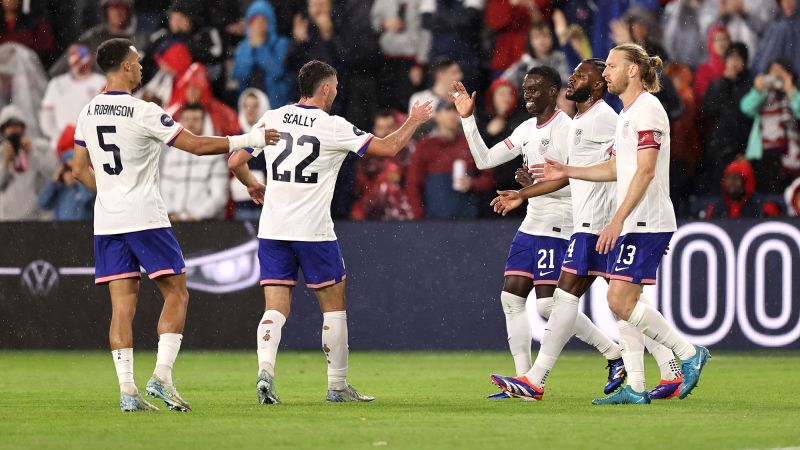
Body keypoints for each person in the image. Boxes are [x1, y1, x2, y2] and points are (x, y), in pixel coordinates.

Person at [70, 38, 279, 412]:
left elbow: (77, 170)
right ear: (122, 67)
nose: (140, 68)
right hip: (145, 218)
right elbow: (197, 146)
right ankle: (162, 376)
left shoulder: (87, 113)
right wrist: (251, 138)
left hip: (108, 221)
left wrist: (112, 192)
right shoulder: (143, 112)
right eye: (135, 62)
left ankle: (127, 392)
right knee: (177, 293)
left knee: (121, 308)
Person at [227, 60, 433, 404]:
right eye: (335, 86)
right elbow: (388, 149)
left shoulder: (273, 117)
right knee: (333, 306)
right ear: (324, 88)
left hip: (273, 229)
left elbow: (235, 161)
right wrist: (413, 120)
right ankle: (337, 386)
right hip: (313, 231)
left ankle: (266, 370)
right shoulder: (333, 126)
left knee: (275, 307)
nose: (337, 91)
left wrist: (253, 185)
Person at [515, 43, 710, 404]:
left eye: (612, 66)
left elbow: (647, 170)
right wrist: (568, 170)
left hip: (645, 220)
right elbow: (613, 169)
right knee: (622, 302)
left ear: (632, 70)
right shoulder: (626, 115)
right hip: (631, 220)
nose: (606, 73)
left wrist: (616, 220)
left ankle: (686, 354)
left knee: (619, 299)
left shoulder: (648, 110)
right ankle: (639, 385)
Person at [452, 65, 630, 400]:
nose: (528, 94)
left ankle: (612, 353)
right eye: (525, 88)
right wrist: (467, 118)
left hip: (562, 224)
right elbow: (484, 160)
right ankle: (521, 380)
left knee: (549, 306)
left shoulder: (568, 128)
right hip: (532, 222)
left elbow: (574, 180)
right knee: (511, 298)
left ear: (553, 91)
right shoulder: (525, 130)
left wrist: (531, 189)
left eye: (535, 88)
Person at [405, 101, 494, 219]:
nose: (452, 115)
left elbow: (490, 178)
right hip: (435, 222)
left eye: (455, 111)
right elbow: (413, 184)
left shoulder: (471, 143)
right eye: (448, 111)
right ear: (437, 116)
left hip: (469, 221)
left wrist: (473, 184)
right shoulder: (425, 146)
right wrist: (419, 219)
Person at [740, 58, 800, 193]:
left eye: (781, 71)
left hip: (793, 157)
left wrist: (791, 90)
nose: (777, 75)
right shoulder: (762, 95)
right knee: (767, 197)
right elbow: (745, 108)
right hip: (764, 157)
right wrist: (757, 91)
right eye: (773, 71)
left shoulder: (794, 94)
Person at [160, 104, 229, 221]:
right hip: (174, 221)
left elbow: (219, 196)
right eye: (187, 119)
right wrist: (171, 212)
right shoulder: (171, 155)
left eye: (195, 120)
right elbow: (164, 188)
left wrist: (197, 216)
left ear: (205, 122)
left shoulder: (215, 155)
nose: (190, 123)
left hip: (206, 224)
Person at [701, 42, 752, 188]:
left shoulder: (750, 85)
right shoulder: (717, 83)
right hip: (720, 147)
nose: (734, 62)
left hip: (742, 146)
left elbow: (745, 114)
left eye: (738, 58)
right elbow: (710, 109)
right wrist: (725, 82)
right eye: (730, 58)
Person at [40, 44, 107, 150]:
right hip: (61, 146)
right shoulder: (56, 84)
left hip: (92, 145)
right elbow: (46, 118)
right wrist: (60, 138)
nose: (78, 63)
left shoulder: (101, 82)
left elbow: (107, 116)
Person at [0, 104, 56, 220]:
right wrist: (5, 163)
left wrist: (32, 154)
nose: (13, 130)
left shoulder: (41, 148)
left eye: (16, 125)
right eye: (9, 126)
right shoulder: (2, 154)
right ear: (3, 131)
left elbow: (54, 175)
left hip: (37, 217)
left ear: (23, 127)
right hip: (8, 219)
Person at [232, 1, 291, 109]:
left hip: (275, 103)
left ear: (270, 23)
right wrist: (250, 49)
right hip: (249, 105)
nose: (258, 25)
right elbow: (239, 74)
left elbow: (277, 72)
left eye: (263, 20)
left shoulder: (281, 43)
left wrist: (260, 48)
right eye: (254, 21)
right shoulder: (243, 47)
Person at [36, 130, 94, 221]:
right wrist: (54, 181)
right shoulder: (59, 189)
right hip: (61, 232)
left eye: (72, 170)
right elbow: (42, 203)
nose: (70, 174)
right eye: (67, 170)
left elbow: (88, 199)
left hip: (83, 232)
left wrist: (78, 179)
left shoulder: (86, 186)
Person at [702, 158, 782, 219]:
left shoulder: (764, 207)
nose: (731, 183)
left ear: (746, 182)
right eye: (729, 178)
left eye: (736, 179)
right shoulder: (715, 208)